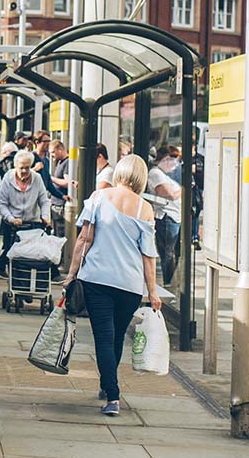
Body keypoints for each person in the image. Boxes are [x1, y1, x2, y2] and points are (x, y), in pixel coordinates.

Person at [63, 154, 161, 417]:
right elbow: (148, 256)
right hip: (129, 285)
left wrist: (72, 274)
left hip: (97, 280)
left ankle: (113, 395)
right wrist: (152, 291)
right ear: (141, 177)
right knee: (116, 338)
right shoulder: (145, 209)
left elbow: (84, 240)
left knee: (104, 338)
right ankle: (108, 387)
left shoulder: (97, 198)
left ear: (119, 172)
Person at [0, 150, 51, 277]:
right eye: (21, 168)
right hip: (12, 222)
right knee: (11, 251)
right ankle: (9, 274)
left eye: (27, 167)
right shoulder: (8, 178)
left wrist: (45, 216)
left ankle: (28, 281)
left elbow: (44, 200)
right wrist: (10, 218)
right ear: (15, 166)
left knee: (31, 255)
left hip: (32, 222)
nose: (24, 171)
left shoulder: (37, 178)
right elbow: (2, 203)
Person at [146, 146, 182, 285]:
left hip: (174, 217)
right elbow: (169, 194)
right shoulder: (156, 173)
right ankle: (168, 282)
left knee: (173, 252)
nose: (175, 165)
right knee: (168, 253)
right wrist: (184, 190)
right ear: (166, 159)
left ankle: (171, 281)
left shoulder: (166, 175)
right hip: (167, 217)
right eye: (174, 160)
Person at [48, 140, 72, 236]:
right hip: (56, 202)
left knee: (60, 233)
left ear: (60, 150)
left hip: (60, 204)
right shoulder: (60, 162)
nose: (52, 155)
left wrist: (51, 179)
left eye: (53, 152)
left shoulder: (67, 162)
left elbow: (67, 183)